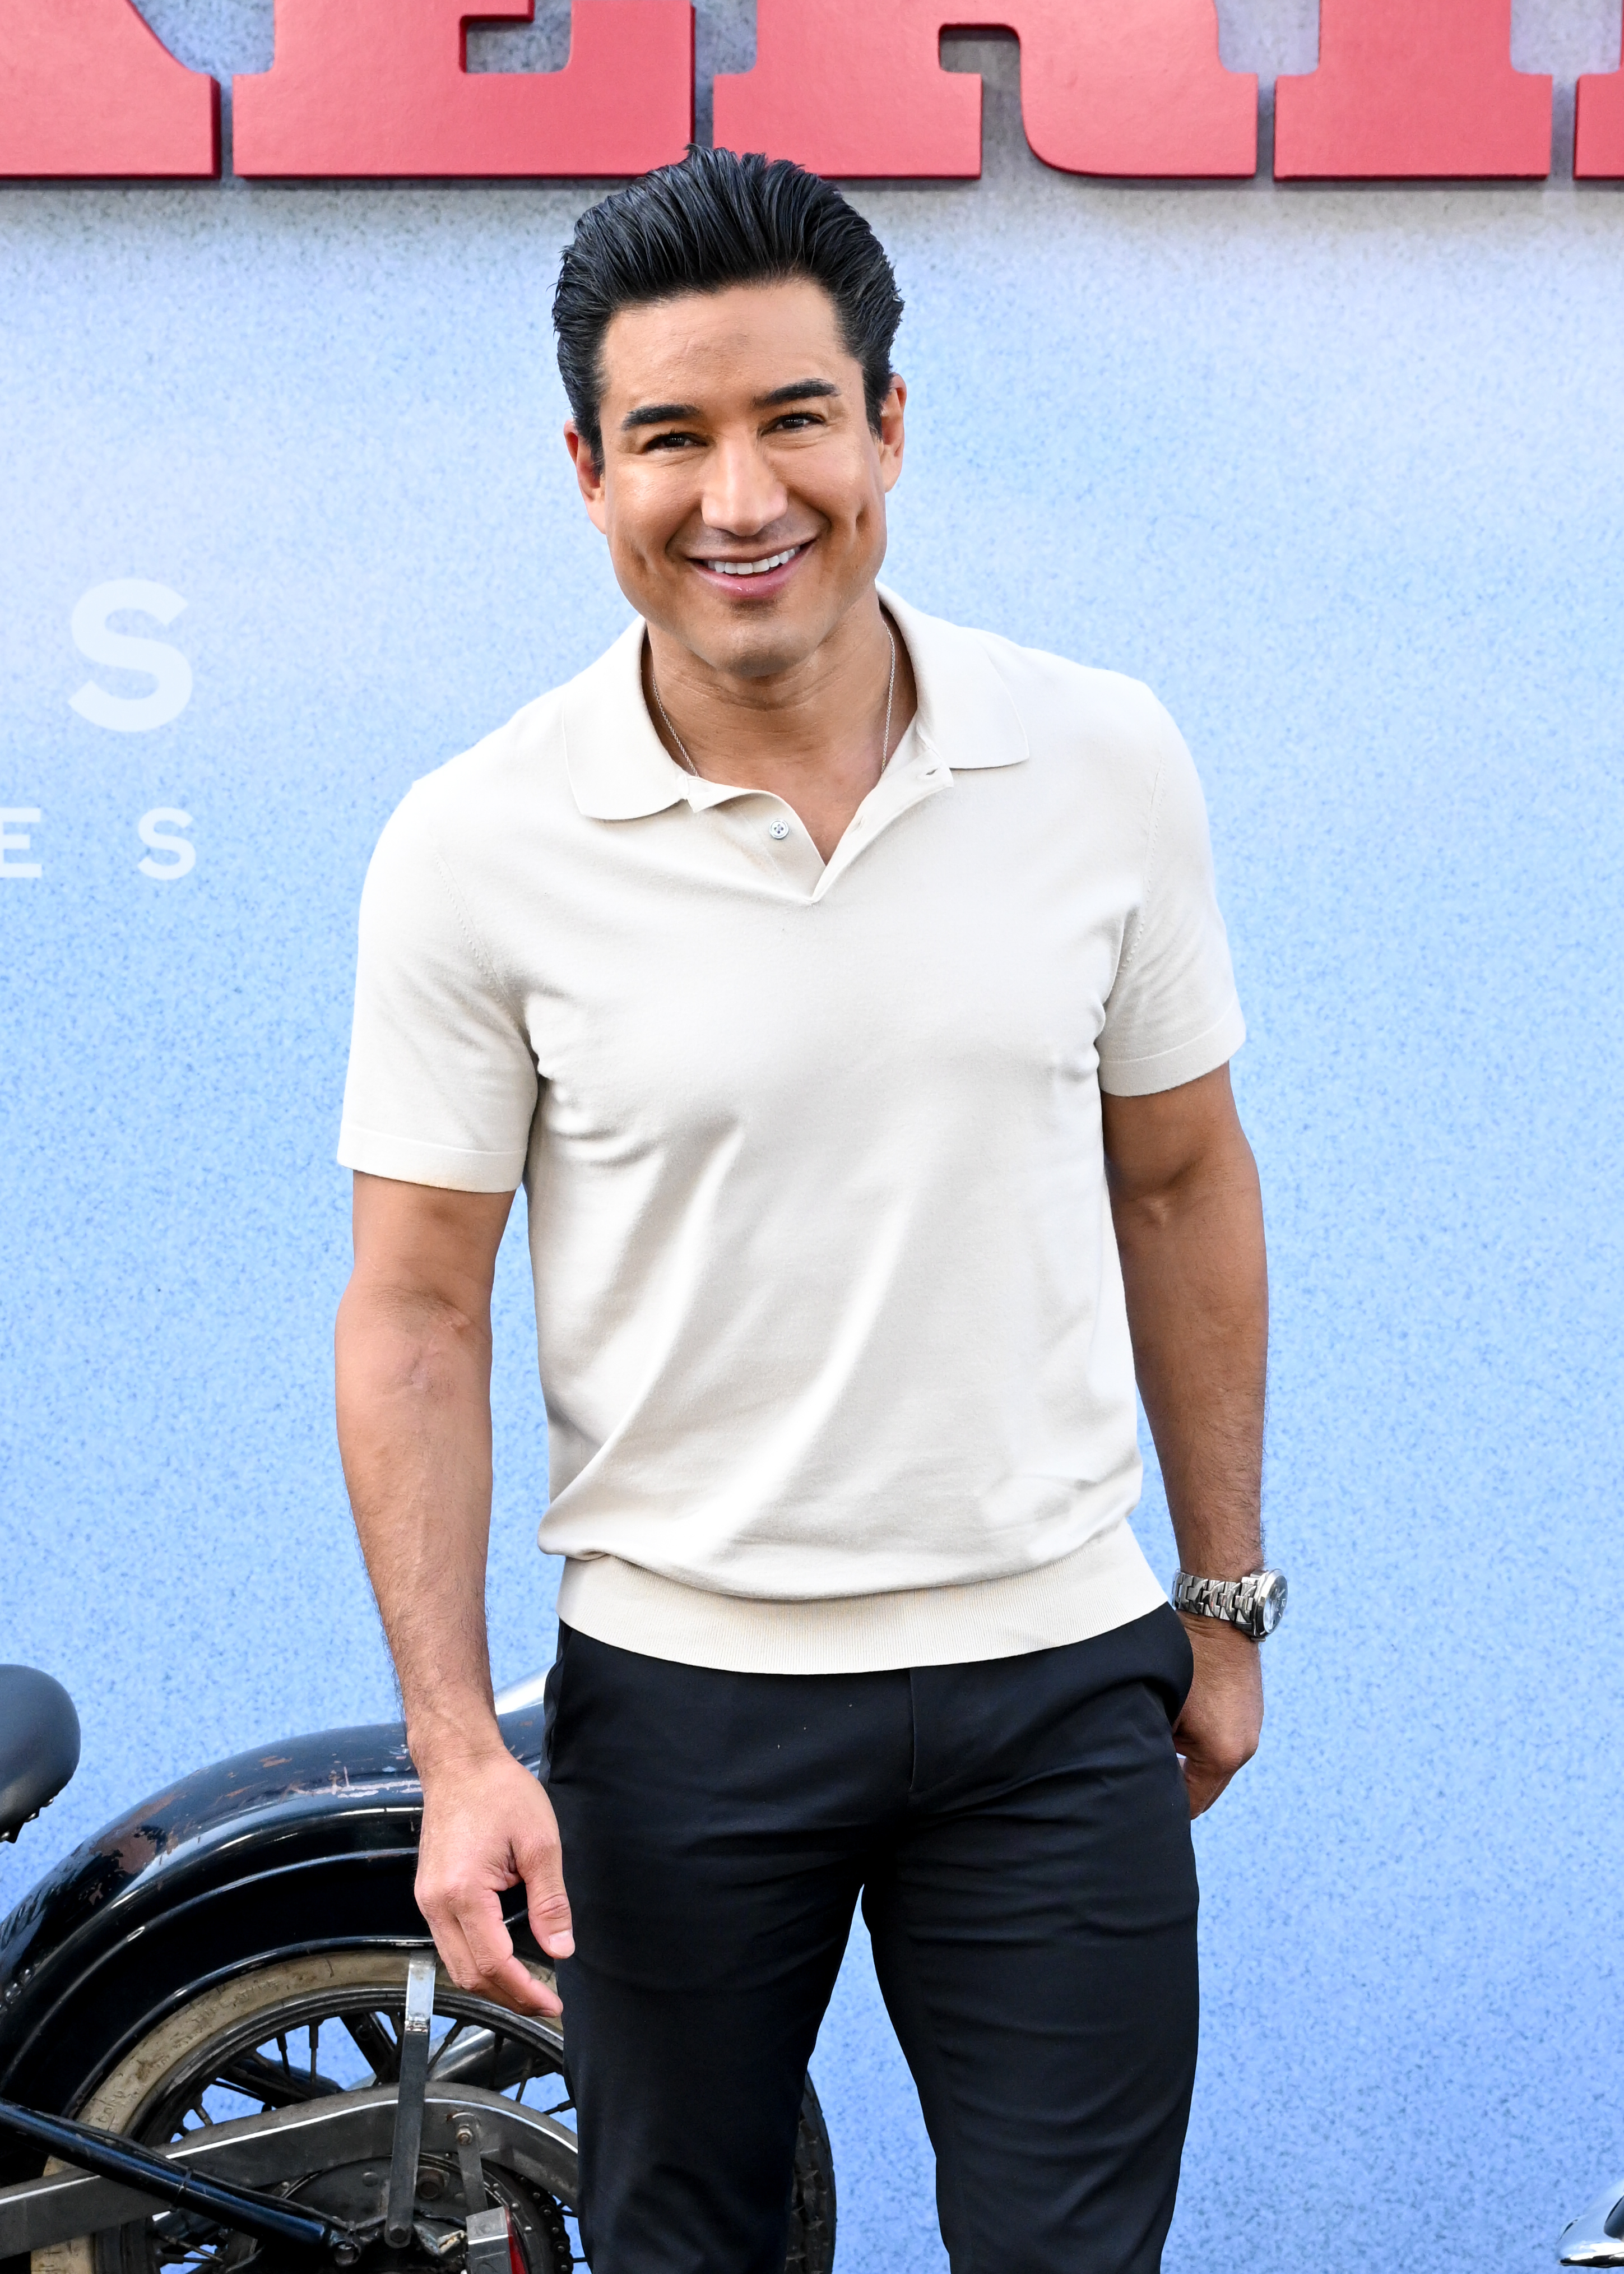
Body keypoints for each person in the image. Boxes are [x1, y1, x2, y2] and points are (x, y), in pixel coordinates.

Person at [335, 147, 1282, 2274]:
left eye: (793, 419)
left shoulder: (1100, 758)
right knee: (690, 2251)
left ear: (887, 430)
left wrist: (1219, 1596)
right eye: (671, 435)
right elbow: (412, 1308)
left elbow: (1178, 1175)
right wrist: (460, 1743)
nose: (739, 495)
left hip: (1053, 1675)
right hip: (680, 1701)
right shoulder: (478, 842)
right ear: (589, 471)